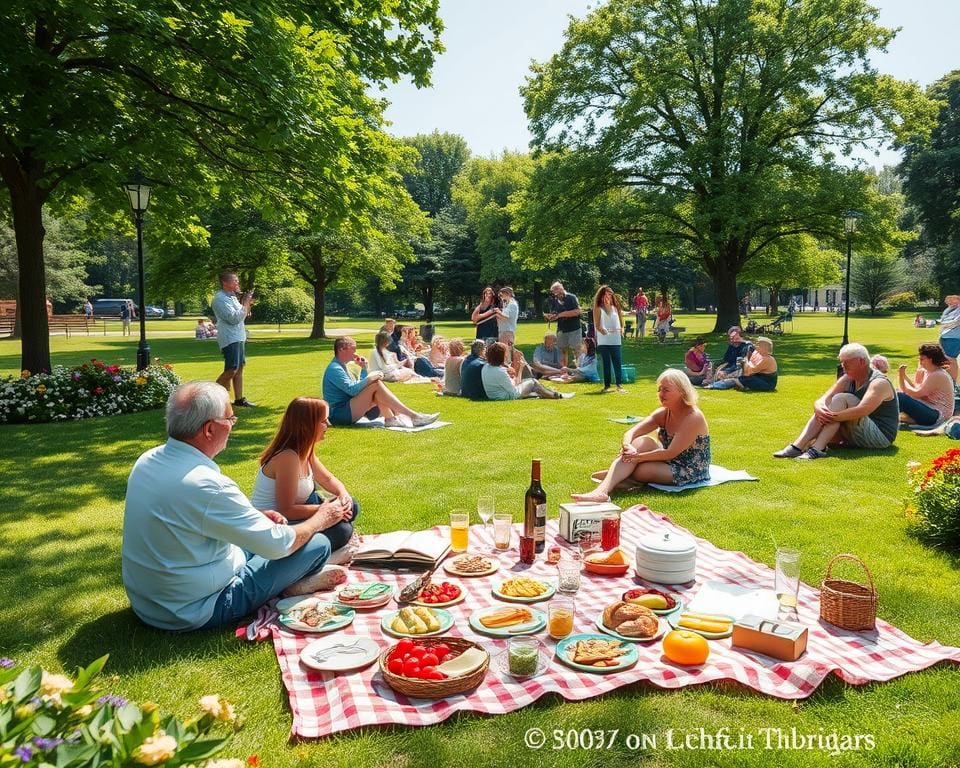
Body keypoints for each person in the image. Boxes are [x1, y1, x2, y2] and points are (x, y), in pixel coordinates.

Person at [121, 382, 347, 631]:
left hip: (150, 601)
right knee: (317, 544)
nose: (232, 425)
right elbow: (278, 545)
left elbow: (185, 517)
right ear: (209, 430)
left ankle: (289, 579)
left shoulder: (148, 461)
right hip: (198, 607)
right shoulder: (207, 485)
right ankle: (292, 583)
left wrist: (256, 516)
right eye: (230, 419)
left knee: (282, 540)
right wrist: (322, 518)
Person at [572, 369, 711, 501]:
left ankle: (617, 476)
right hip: (668, 461)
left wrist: (637, 457)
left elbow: (670, 453)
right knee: (641, 442)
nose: (661, 394)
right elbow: (631, 432)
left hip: (689, 468)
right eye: (659, 389)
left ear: (682, 392)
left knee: (642, 470)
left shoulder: (693, 417)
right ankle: (603, 490)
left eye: (666, 390)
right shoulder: (664, 413)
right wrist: (627, 447)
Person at [251, 397, 359, 560]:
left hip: (296, 512)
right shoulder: (287, 457)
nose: (328, 425)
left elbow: (327, 479)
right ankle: (318, 558)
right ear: (307, 425)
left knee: (352, 504)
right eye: (323, 421)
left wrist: (342, 495)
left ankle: (317, 553)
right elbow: (285, 510)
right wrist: (326, 511)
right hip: (276, 525)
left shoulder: (305, 450)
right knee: (342, 531)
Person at [773, 343, 898, 460]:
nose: (843, 367)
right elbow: (823, 400)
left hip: (880, 437)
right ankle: (798, 446)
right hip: (855, 432)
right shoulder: (848, 378)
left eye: (846, 363)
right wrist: (819, 408)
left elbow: (862, 410)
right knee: (831, 404)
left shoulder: (879, 383)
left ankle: (816, 449)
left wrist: (830, 416)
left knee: (842, 398)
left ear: (861, 361)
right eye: (842, 363)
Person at [322, 336, 438, 428]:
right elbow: (353, 391)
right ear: (341, 349)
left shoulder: (342, 366)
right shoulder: (335, 369)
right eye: (353, 348)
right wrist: (370, 378)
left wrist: (363, 369)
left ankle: (391, 418)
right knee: (375, 384)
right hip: (339, 414)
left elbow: (359, 389)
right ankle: (412, 416)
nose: (355, 352)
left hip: (347, 408)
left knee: (375, 386)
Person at [212, 271, 256, 407]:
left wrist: (246, 305)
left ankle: (239, 399)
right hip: (229, 337)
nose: (238, 283)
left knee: (240, 367)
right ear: (225, 283)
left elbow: (242, 315)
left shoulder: (232, 297)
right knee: (232, 369)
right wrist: (246, 303)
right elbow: (234, 319)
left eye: (237, 281)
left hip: (238, 336)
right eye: (235, 281)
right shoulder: (220, 299)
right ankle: (211, 395)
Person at [897, 344, 955, 427]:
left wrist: (901, 378)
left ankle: (883, 418)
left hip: (936, 416)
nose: (920, 362)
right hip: (929, 410)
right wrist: (902, 377)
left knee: (900, 396)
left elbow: (916, 394)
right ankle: (887, 418)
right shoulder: (927, 372)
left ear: (930, 360)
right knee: (896, 394)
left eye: (922, 359)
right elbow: (914, 388)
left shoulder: (938, 375)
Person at [481, 342, 563, 400]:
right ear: (501, 356)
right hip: (506, 396)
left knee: (531, 385)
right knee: (533, 382)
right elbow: (515, 386)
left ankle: (547, 393)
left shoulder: (486, 367)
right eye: (505, 354)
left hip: (494, 395)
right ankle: (556, 395)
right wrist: (520, 368)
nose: (506, 356)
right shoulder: (500, 372)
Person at [707, 336, 778, 391]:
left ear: (763, 347)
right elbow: (749, 366)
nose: (756, 344)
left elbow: (748, 372)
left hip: (767, 383)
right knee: (739, 378)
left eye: (758, 344)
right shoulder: (758, 353)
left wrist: (746, 359)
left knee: (738, 379)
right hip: (757, 377)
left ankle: (714, 385)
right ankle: (715, 384)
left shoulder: (766, 359)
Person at [593, 284, 626, 393]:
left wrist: (622, 329)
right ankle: (607, 385)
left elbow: (621, 323)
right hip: (604, 340)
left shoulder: (615, 308)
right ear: (601, 296)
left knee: (617, 361)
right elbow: (597, 325)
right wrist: (604, 331)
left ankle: (619, 384)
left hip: (616, 340)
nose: (608, 297)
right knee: (606, 363)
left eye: (610, 295)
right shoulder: (598, 309)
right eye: (606, 295)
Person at [545, 281, 582, 367]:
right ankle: (564, 370)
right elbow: (556, 313)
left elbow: (577, 311)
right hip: (561, 329)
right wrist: (551, 316)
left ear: (562, 288)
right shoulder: (555, 300)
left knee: (577, 350)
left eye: (557, 291)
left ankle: (580, 369)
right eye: (554, 292)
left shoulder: (571, 297)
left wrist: (560, 315)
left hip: (574, 328)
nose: (556, 294)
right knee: (561, 351)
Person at [936, 295, 960, 381]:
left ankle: (953, 383)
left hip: (954, 338)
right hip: (945, 336)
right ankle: (948, 382)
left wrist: (943, 324)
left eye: (951, 301)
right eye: (948, 301)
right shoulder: (950, 309)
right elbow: (943, 319)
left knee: (951, 360)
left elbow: (956, 322)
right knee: (946, 359)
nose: (949, 303)